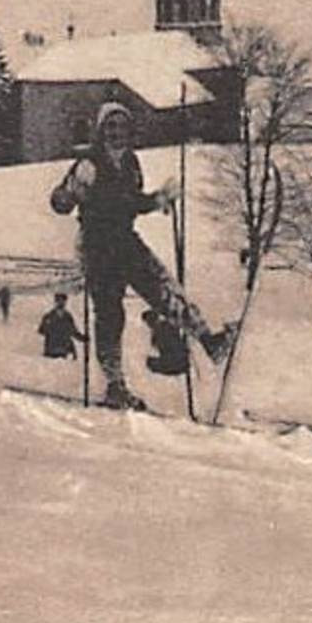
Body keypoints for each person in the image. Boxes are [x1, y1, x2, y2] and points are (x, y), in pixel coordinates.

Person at [50, 101, 231, 411]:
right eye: (110, 127)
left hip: (125, 239)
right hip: (97, 245)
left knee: (163, 288)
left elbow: (131, 202)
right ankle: (114, 385)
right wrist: (74, 190)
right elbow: (59, 203)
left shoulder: (131, 162)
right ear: (100, 130)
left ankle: (208, 340)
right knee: (110, 316)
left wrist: (158, 199)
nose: (116, 133)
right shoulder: (88, 163)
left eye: (121, 127)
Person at [37, 292, 85, 360]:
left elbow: (73, 331)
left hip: (64, 351)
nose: (61, 303)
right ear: (56, 302)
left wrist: (82, 338)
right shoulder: (48, 316)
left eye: (63, 301)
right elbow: (41, 331)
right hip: (51, 351)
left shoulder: (68, 317)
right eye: (59, 301)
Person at [143, 308, 189, 376]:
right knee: (150, 362)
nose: (149, 324)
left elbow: (176, 339)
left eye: (150, 320)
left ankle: (176, 366)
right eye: (148, 321)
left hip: (176, 358)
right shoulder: (157, 331)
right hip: (174, 358)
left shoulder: (164, 327)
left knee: (150, 362)